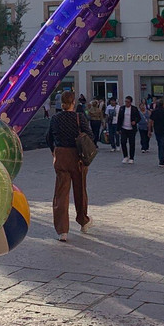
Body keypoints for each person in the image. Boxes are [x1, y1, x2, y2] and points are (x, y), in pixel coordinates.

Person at [45, 90, 93, 241]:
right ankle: (83, 221)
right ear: (73, 103)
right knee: (80, 190)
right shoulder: (79, 118)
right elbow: (90, 135)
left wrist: (54, 151)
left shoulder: (55, 118)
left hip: (61, 157)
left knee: (61, 194)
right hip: (77, 158)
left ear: (61, 103)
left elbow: (48, 137)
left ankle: (62, 230)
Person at [148, 100, 164, 166]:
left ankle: (161, 159)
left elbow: (150, 121)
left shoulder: (154, 112)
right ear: (163, 104)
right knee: (163, 144)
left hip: (157, 130)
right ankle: (161, 160)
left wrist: (149, 130)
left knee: (160, 144)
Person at [115, 96, 141, 163]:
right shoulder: (122, 108)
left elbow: (139, 117)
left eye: (128, 102)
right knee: (123, 142)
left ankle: (131, 157)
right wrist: (118, 129)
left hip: (131, 129)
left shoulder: (134, 109)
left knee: (132, 143)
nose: (126, 103)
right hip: (124, 128)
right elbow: (119, 119)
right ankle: (125, 156)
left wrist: (135, 121)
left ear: (131, 102)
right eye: (125, 101)